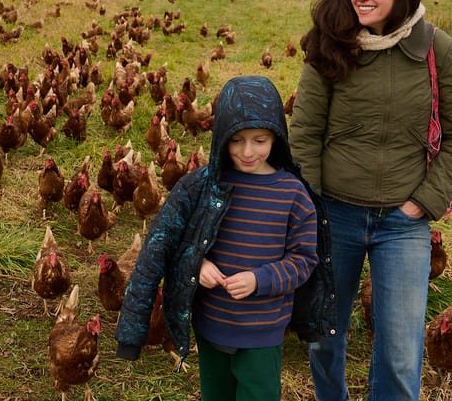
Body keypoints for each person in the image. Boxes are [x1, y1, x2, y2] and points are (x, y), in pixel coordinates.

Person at [289, 0, 452, 401]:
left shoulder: (436, 47)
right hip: (334, 216)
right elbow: (305, 135)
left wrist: (424, 203)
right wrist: (311, 207)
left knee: (399, 352)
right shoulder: (330, 42)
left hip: (402, 223)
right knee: (323, 337)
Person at [116, 75, 326, 401]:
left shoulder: (292, 194)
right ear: (221, 137)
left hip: (262, 329)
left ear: (276, 137)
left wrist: (260, 279)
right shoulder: (203, 186)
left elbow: (304, 259)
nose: (247, 151)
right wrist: (196, 265)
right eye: (236, 140)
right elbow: (162, 246)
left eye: (259, 140)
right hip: (211, 323)